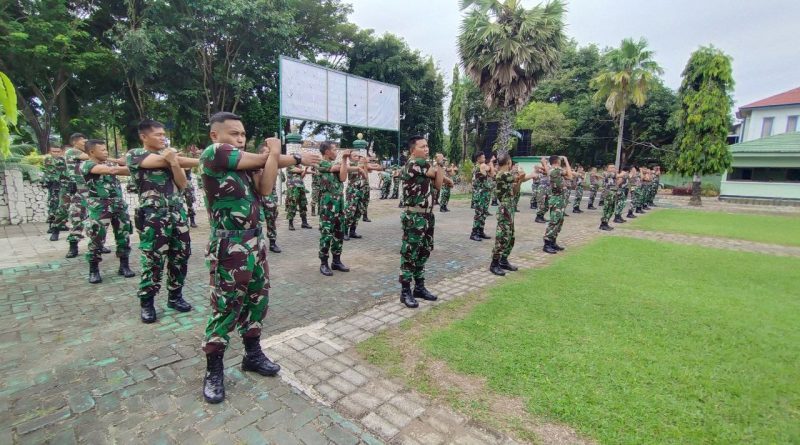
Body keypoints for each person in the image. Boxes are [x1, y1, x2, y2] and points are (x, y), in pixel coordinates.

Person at [199, 111, 321, 404]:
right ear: (216, 135)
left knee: (257, 301)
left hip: (255, 243)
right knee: (226, 308)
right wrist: (284, 154)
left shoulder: (243, 164)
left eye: (242, 134)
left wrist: (274, 157)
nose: (240, 139)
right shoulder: (213, 154)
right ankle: (213, 371)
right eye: (233, 134)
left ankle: (252, 355)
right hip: (229, 248)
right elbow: (262, 160)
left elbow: (265, 187)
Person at [127, 119, 198, 323]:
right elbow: (160, 162)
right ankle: (147, 302)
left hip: (177, 214)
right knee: (153, 260)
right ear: (144, 136)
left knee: (180, 256)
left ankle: (175, 297)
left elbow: (182, 184)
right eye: (158, 134)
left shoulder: (170, 157)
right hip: (153, 216)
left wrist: (174, 161)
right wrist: (175, 158)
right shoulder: (135, 154)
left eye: (163, 134)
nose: (162, 138)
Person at [399, 136, 446, 308]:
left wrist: (440, 169)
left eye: (427, 146)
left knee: (423, 252)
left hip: (427, 215)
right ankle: (405, 292)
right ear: (413, 150)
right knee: (410, 254)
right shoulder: (415, 163)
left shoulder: (424, 166)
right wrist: (440, 165)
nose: (427, 149)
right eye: (423, 146)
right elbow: (440, 180)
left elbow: (439, 183)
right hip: (415, 217)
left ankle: (419, 287)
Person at [80, 140, 136, 283]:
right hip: (99, 207)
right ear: (92, 152)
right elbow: (112, 170)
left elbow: (120, 164)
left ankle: (124, 266)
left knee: (123, 235)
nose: (106, 152)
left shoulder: (108, 163)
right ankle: (94, 269)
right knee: (97, 238)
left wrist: (120, 162)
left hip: (118, 205)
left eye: (106, 150)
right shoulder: (87, 165)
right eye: (103, 150)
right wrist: (139, 168)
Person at [317, 142, 358, 276]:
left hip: (339, 201)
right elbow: (339, 170)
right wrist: (345, 159)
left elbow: (342, 177)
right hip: (328, 202)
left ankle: (336, 261)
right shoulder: (322, 163)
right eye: (334, 149)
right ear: (327, 152)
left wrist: (345, 161)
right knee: (327, 233)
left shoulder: (336, 165)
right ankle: (324, 263)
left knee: (339, 232)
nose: (336, 152)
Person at [489, 153, 532, 276]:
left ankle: (503, 260)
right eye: (511, 163)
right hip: (505, 209)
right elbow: (521, 175)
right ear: (509, 163)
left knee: (510, 236)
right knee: (502, 236)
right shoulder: (503, 175)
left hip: (509, 208)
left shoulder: (506, 176)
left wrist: (518, 180)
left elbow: (515, 189)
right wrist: (520, 170)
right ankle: (494, 263)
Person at [63, 133, 89, 258]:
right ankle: (73, 245)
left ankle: (97, 243)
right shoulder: (71, 152)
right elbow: (90, 156)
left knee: (95, 219)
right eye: (83, 142)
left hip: (90, 190)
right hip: (79, 191)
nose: (86, 144)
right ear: (75, 142)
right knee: (77, 217)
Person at [542, 155, 573, 254]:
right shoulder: (556, 170)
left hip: (559, 198)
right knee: (554, 221)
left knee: (559, 221)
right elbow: (570, 176)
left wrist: (544, 163)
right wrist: (567, 160)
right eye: (561, 160)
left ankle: (552, 242)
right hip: (557, 199)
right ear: (557, 161)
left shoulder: (552, 169)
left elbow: (567, 176)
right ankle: (547, 243)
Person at [257, 143, 282, 254]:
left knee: (271, 219)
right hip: (256, 198)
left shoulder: (273, 167)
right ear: (260, 154)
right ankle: (256, 242)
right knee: (255, 221)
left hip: (270, 198)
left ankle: (272, 242)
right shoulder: (253, 167)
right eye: (267, 153)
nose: (270, 156)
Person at [42, 145, 67, 240]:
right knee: (53, 205)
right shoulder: (49, 160)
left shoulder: (63, 160)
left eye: (58, 151)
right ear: (50, 152)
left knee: (63, 206)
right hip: (53, 186)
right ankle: (52, 226)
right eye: (54, 151)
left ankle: (62, 224)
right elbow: (51, 172)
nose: (56, 153)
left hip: (63, 186)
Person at [469, 152, 494, 241]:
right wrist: (491, 162)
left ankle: (480, 231)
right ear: (478, 159)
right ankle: (474, 233)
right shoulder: (480, 166)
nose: (484, 159)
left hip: (484, 193)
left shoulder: (482, 165)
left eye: (484, 157)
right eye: (483, 157)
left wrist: (490, 165)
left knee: (483, 213)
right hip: (480, 193)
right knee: (479, 214)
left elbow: (491, 174)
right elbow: (492, 173)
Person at [343, 153, 368, 240]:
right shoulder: (348, 164)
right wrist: (358, 169)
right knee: (350, 211)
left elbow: (365, 177)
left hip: (360, 191)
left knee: (358, 211)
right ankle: (344, 231)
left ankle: (352, 231)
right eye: (355, 156)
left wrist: (363, 168)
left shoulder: (360, 165)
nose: (357, 157)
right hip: (352, 191)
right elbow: (346, 169)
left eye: (358, 156)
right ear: (350, 158)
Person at [285, 163, 312, 230]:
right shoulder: (290, 166)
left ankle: (304, 223)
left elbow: (302, 176)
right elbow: (299, 171)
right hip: (293, 188)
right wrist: (304, 170)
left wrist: (305, 170)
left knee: (303, 205)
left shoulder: (299, 167)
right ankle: (290, 224)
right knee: (292, 205)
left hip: (301, 187)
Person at [598, 164, 618, 231]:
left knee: (611, 209)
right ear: (607, 168)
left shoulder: (613, 175)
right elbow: (616, 175)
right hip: (608, 193)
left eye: (614, 167)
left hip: (613, 193)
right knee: (606, 208)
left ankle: (606, 222)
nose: (613, 168)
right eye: (611, 167)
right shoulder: (606, 173)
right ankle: (603, 224)